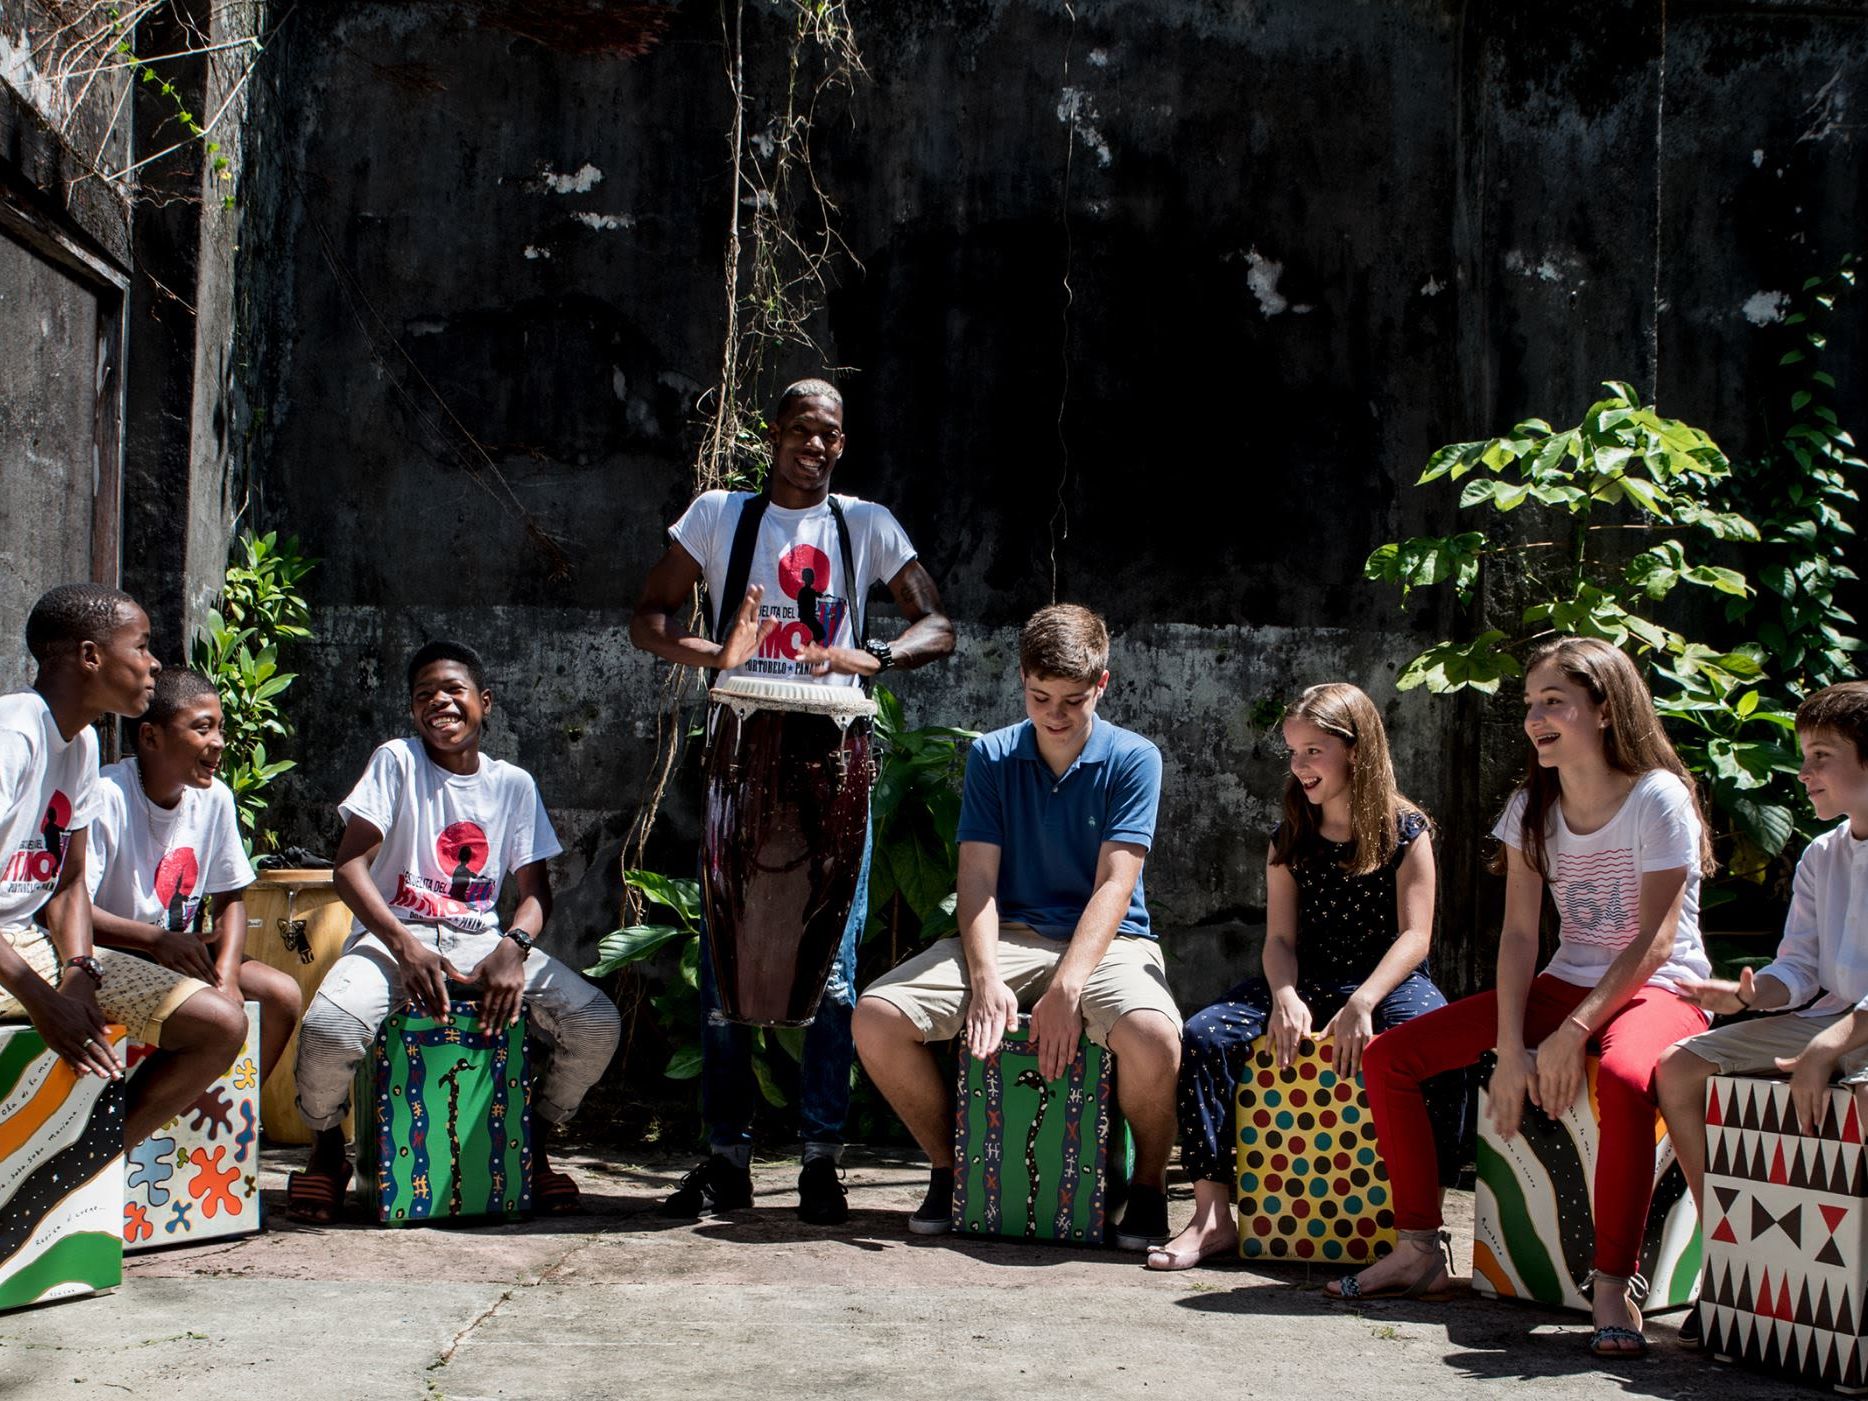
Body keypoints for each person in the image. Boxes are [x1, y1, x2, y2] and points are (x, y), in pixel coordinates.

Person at [1330, 636, 1715, 1359]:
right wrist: (1511, 1048)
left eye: (1554, 703)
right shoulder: (1531, 806)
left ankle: (1613, 1283)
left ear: (1603, 710)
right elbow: (1517, 938)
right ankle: (1418, 1246)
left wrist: (1572, 1030)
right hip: (1566, 982)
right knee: (1392, 1056)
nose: (1535, 718)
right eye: (1531, 704)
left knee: (1631, 1079)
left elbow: (1656, 943)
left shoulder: (1658, 795)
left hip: (1662, 986)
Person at [631, 377, 954, 1225]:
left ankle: (819, 1160)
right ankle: (727, 1160)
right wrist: (717, 650)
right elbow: (647, 615)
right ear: (772, 433)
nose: (817, 446)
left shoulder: (866, 523)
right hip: (742, 753)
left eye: (832, 435)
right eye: (803, 430)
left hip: (835, 755)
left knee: (835, 972)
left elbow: (939, 624)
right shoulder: (718, 516)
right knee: (729, 966)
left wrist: (872, 656)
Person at [854, 604, 1182, 1247]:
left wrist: (1066, 988)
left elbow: (1116, 885)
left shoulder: (1135, 758)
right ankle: (955, 1170)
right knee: (876, 1017)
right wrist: (982, 978)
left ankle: (1146, 1190)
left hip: (1109, 941)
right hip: (1006, 939)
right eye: (1039, 697)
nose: (1054, 714)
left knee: (1155, 1037)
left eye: (1072, 699)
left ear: (1103, 685)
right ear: (1022, 682)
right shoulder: (993, 756)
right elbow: (975, 879)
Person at [285, 640, 620, 1222]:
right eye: (423, 695)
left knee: (595, 1021)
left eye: (453, 691)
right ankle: (325, 1152)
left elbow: (534, 893)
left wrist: (513, 949)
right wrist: (403, 945)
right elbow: (347, 868)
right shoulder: (397, 761)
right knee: (332, 1028)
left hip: (482, 941)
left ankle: (533, 1142)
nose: (438, 702)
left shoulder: (512, 784)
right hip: (395, 935)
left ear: (483, 703)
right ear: (414, 712)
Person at [1147, 682, 1460, 1269]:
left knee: (1439, 1042)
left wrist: (1366, 1000)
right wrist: (1285, 995)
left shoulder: (1407, 827)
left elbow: (1415, 938)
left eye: (1313, 751)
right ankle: (1213, 1216)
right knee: (1206, 1035)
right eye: (1293, 753)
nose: (1299, 766)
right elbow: (1281, 940)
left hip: (1387, 979)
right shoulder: (1290, 832)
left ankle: (1423, 1230)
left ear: (1356, 751)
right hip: (1309, 975)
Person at [0, 584, 247, 1145]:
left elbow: (67, 887)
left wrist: (78, 972)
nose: (154, 662)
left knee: (219, 1025)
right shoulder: (13, 734)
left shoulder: (83, 745)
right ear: (91, 657)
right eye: (139, 647)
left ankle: (89, 1168)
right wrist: (46, 1004)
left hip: (26, 946)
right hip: (10, 955)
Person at [1658, 680, 1868, 1225]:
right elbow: (1799, 965)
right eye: (1804, 757)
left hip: (1845, 1031)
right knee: (1679, 1068)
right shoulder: (1822, 854)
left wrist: (1827, 1048)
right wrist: (1750, 994)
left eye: (1822, 757)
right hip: (1832, 1021)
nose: (1804, 773)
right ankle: (1725, 1245)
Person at [86, 667, 302, 1082]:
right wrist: (154, 940)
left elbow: (230, 899)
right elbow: (72, 909)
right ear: (150, 737)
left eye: (220, 728)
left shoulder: (214, 797)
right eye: (203, 729)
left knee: (281, 995)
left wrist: (228, 976)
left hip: (182, 952)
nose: (218, 743)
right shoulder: (106, 796)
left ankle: (235, 1123)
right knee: (213, 1013)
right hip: (115, 951)